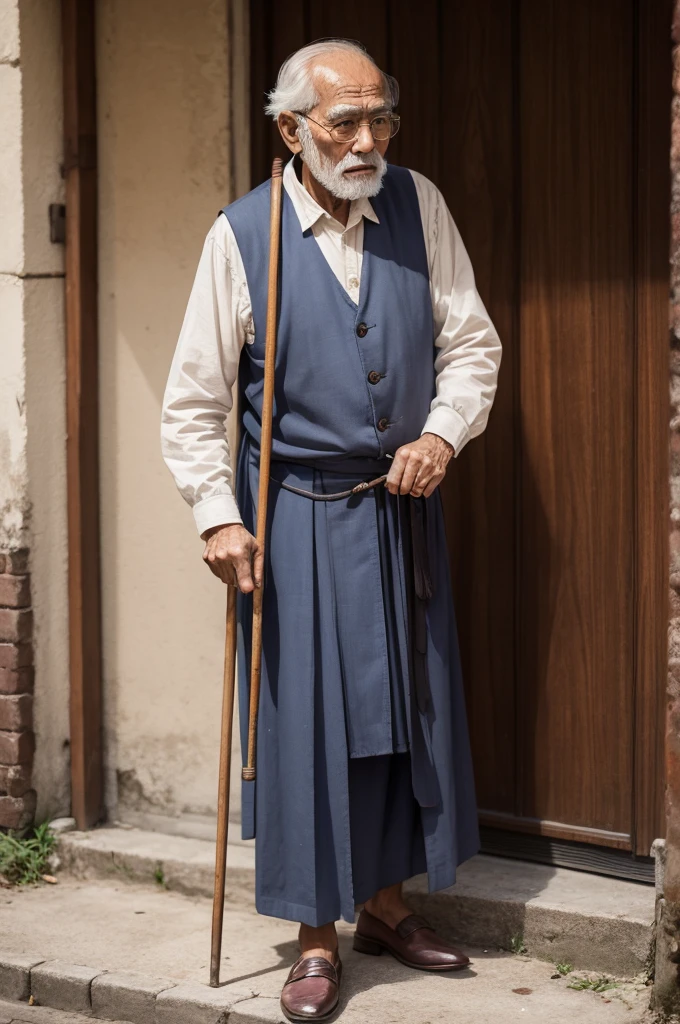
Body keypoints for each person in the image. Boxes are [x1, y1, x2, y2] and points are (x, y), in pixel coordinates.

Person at [162, 37, 501, 1023]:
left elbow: (469, 343)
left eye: (379, 117)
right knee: (307, 732)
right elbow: (191, 404)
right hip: (292, 528)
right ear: (289, 128)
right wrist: (216, 519)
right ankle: (313, 937)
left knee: (404, 723)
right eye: (342, 121)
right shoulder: (241, 235)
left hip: (399, 514)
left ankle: (386, 910)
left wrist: (441, 432)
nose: (366, 139)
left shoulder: (416, 204)